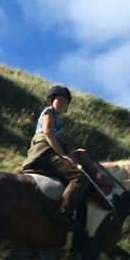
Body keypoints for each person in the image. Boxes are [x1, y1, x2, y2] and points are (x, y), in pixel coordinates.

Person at [20, 85, 95, 227]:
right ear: (52, 101)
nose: (62, 102)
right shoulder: (49, 112)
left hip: (49, 152)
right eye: (59, 99)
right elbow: (48, 132)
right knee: (79, 177)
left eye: (65, 101)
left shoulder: (59, 120)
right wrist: (62, 156)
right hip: (43, 153)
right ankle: (64, 212)